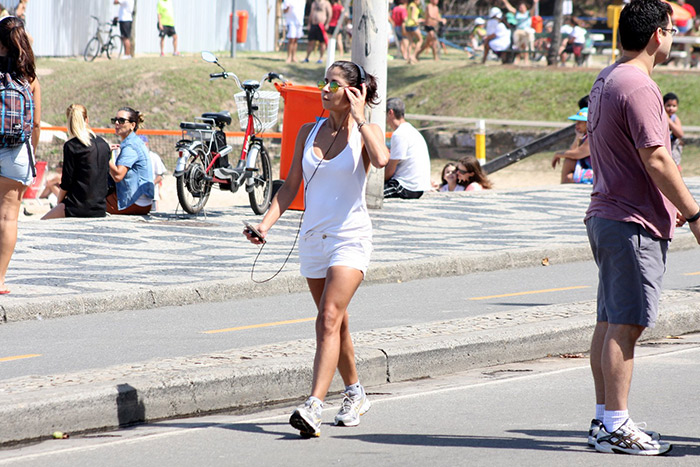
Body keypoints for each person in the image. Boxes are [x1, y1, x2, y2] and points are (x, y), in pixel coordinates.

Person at [244, 60, 389, 437]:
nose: (325, 89)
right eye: (324, 81)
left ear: (353, 92)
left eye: (334, 84)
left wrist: (359, 117)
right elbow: (291, 186)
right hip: (312, 239)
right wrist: (264, 226)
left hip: (349, 238)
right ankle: (355, 392)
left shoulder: (366, 132)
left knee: (327, 318)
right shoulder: (309, 131)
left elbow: (383, 160)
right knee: (335, 323)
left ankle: (312, 406)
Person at [585, 0, 700, 456]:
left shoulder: (608, 78)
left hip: (609, 212)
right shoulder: (639, 85)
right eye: (671, 30)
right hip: (630, 219)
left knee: (610, 320)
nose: (673, 38)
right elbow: (656, 156)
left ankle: (603, 418)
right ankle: (615, 423)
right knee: (627, 324)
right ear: (656, 34)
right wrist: (694, 214)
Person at [0, 16, 39, 295]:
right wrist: (32, 152)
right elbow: (36, 124)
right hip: (17, 153)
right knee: (8, 218)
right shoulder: (30, 76)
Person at [42, 105, 110, 220]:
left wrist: (59, 201)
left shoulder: (71, 146)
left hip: (77, 206)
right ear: (87, 120)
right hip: (100, 207)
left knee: (43, 223)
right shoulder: (103, 144)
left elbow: (67, 180)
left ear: (69, 122)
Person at [107, 107, 154, 215]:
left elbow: (118, 176)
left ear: (132, 125)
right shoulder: (135, 141)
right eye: (115, 120)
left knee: (89, 204)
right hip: (142, 201)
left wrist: (105, 156)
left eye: (122, 121)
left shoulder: (130, 146)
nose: (117, 123)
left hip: (134, 202)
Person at [384, 97, 431, 199]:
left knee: (370, 194)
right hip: (418, 187)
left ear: (390, 112)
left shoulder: (399, 134)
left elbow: (389, 171)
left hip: (405, 187)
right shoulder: (411, 130)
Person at [551, 107, 593, 184]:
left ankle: (564, 183)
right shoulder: (586, 136)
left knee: (569, 178)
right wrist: (577, 137)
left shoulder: (593, 137)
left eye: (580, 122)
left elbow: (577, 154)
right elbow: (572, 151)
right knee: (569, 160)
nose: (576, 125)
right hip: (591, 169)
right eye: (576, 122)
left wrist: (558, 154)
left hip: (601, 174)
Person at [501, 0, 539, 65]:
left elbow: (533, 10)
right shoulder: (517, 13)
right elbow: (510, 8)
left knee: (526, 44)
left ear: (525, 7)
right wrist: (505, 2)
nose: (520, 8)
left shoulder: (528, 13)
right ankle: (518, 58)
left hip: (526, 31)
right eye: (520, 7)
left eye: (522, 7)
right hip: (518, 31)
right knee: (518, 46)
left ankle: (528, 57)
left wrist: (535, 3)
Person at [139, 135, 167, 211]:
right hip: (136, 198)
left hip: (151, 197)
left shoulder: (154, 157)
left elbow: (160, 176)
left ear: (147, 144)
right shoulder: (134, 157)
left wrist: (150, 184)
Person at [663, 92, 683, 168]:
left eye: (674, 106)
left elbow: (680, 133)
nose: (671, 108)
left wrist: (669, 121)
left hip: (673, 149)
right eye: (668, 105)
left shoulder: (674, 118)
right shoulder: (660, 118)